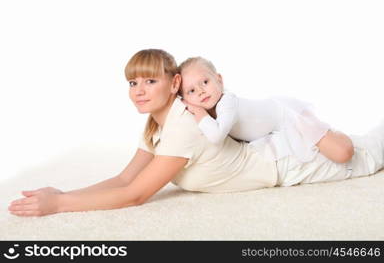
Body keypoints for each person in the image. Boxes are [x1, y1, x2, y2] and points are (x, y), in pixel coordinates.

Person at [8, 49, 384, 217]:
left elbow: (135, 195)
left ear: (173, 84)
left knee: (364, 156)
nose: (138, 90)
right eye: (132, 82)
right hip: (272, 151)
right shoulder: (155, 124)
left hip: (285, 162)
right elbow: (125, 177)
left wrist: (56, 206)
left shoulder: (184, 124)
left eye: (149, 80)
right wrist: (62, 193)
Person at [178, 56, 354, 165]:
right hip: (273, 130)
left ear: (219, 80)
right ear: (184, 98)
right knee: (315, 156)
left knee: (342, 153)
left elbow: (216, 136)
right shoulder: (209, 110)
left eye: (205, 82)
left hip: (287, 114)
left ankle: (337, 133)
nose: (201, 91)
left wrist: (199, 113)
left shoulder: (227, 101)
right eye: (191, 91)